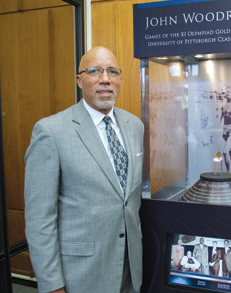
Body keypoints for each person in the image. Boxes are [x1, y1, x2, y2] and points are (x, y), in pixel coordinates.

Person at [24, 46, 144, 293]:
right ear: (79, 81)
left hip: (130, 270)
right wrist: (51, 285)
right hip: (81, 276)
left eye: (113, 71)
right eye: (94, 71)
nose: (105, 79)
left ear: (120, 79)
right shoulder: (51, 132)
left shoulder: (135, 125)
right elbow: (39, 219)